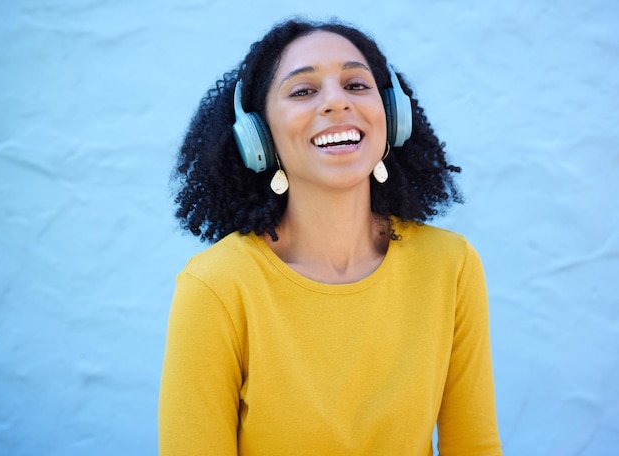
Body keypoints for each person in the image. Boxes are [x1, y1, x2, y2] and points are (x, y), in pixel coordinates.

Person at [159, 17, 502, 455]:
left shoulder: (450, 265)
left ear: (391, 114)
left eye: (357, 85)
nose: (336, 102)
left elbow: (475, 447)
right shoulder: (217, 286)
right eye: (303, 91)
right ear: (258, 136)